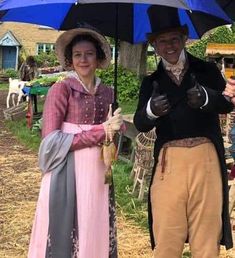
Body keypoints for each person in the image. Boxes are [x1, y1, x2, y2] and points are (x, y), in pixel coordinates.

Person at [133, 5, 234, 258]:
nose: (169, 46)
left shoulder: (206, 70)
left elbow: (226, 103)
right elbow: (141, 123)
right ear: (154, 44)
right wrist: (151, 110)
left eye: (174, 39)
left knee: (206, 234)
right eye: (162, 41)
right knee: (167, 233)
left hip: (206, 158)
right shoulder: (151, 81)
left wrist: (206, 98)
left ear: (184, 38)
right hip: (170, 163)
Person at [28, 26, 123, 258]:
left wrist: (116, 130)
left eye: (89, 53)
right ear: (70, 60)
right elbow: (50, 143)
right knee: (68, 221)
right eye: (78, 54)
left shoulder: (108, 93)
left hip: (99, 169)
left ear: (99, 57)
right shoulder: (61, 90)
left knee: (94, 217)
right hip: (67, 169)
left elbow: (112, 136)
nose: (83, 59)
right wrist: (101, 131)